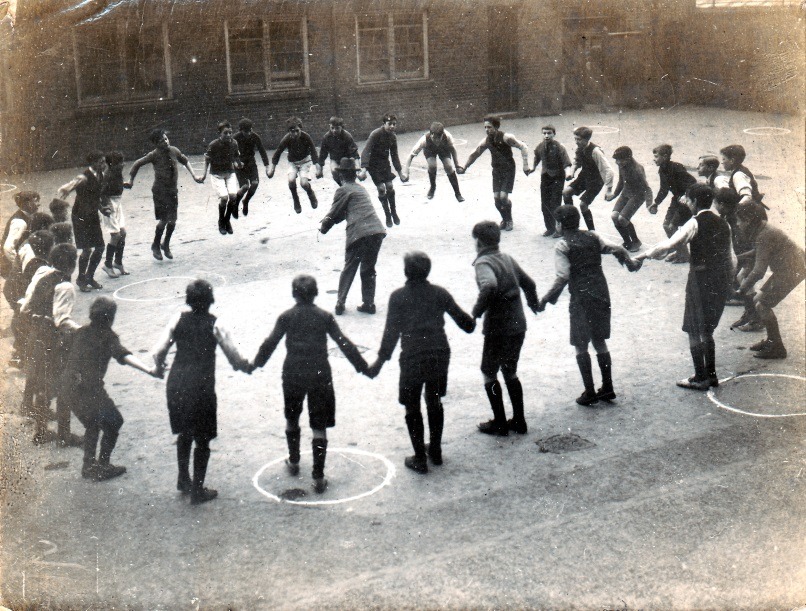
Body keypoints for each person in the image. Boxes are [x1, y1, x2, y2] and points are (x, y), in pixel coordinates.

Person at [248, 275, 368, 494]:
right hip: (319, 373)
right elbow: (343, 343)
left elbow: (270, 343)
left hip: (293, 372)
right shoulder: (324, 316)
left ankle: (294, 461)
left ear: (294, 294)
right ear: (316, 293)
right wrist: (363, 366)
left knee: (292, 418)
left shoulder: (286, 316)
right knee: (319, 426)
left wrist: (255, 364)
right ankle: (318, 477)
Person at [365, 252, 475, 473]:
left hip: (413, 357)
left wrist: (378, 362)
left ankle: (419, 457)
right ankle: (435, 450)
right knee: (434, 400)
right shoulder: (440, 293)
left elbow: (391, 333)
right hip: (439, 353)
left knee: (412, 404)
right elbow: (467, 324)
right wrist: (475, 316)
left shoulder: (398, 297)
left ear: (406, 272)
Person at [151, 280, 251, 504]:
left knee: (184, 432)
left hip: (176, 382)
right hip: (201, 386)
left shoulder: (178, 319)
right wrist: (246, 366)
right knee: (203, 438)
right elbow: (233, 355)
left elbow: (158, 352)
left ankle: (183, 478)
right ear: (210, 300)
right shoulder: (215, 324)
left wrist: (159, 368)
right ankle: (198, 489)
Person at [537, 206, 641, 405]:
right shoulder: (593, 236)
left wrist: (547, 299)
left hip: (581, 298)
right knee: (599, 340)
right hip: (601, 292)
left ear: (559, 224)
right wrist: (628, 263)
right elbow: (618, 248)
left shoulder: (562, 245)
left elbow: (562, 277)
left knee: (580, 343)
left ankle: (589, 391)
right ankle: (608, 387)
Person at [637, 184, 733, 390]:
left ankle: (700, 376)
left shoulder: (694, 222)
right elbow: (729, 257)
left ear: (696, 202)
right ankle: (711, 375)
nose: (687, 203)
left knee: (692, 329)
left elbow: (669, 245)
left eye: (688, 199)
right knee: (707, 330)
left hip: (700, 280)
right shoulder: (724, 224)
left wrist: (643, 256)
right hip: (720, 280)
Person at [60, 296, 160, 481]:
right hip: (91, 389)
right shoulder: (108, 337)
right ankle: (103, 465)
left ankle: (89, 466)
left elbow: (64, 351)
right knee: (114, 422)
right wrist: (149, 370)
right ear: (110, 318)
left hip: (68, 387)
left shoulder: (81, 332)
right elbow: (123, 355)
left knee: (92, 424)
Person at [470, 221, 538, 436]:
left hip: (498, 326)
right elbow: (530, 283)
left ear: (479, 242)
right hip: (518, 324)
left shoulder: (483, 262)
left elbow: (489, 285)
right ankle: (519, 420)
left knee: (488, 371)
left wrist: (477, 311)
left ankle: (499, 422)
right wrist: (533, 304)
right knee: (510, 370)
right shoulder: (507, 258)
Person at [20, 243, 82, 444]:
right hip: (54, 341)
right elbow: (62, 320)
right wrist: (83, 332)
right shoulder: (65, 286)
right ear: (72, 264)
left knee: (43, 386)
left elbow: (26, 307)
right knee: (65, 384)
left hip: (36, 337)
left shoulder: (42, 276)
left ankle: (41, 432)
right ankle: (64, 435)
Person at [735, 202, 806, 360]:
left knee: (762, 304)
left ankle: (777, 348)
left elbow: (759, 271)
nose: (738, 224)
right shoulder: (762, 229)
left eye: (739, 220)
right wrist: (737, 258)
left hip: (791, 271)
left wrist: (741, 289)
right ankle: (771, 340)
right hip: (789, 268)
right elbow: (759, 251)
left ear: (748, 220)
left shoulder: (763, 235)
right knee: (759, 301)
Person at [319, 158, 387, 316]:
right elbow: (346, 212)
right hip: (376, 230)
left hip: (358, 232)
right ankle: (369, 303)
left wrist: (324, 227)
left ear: (341, 176)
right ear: (355, 175)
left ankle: (340, 303)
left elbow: (334, 213)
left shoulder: (342, 190)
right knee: (368, 268)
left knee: (350, 266)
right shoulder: (361, 189)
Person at [126, 129, 203, 259]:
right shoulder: (154, 155)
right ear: (156, 144)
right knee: (164, 220)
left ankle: (165, 244)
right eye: (161, 141)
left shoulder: (174, 150)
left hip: (172, 191)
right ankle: (155, 245)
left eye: (166, 139)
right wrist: (131, 180)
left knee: (173, 221)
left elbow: (185, 161)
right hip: (160, 191)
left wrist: (194, 176)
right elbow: (137, 164)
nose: (166, 142)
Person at [457, 115, 529, 231]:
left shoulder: (506, 137)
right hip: (496, 171)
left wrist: (525, 165)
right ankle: (504, 219)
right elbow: (475, 153)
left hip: (508, 170)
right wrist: (465, 167)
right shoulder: (486, 140)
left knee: (503, 197)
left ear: (496, 127)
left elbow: (523, 147)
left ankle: (509, 220)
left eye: (489, 127)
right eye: (485, 127)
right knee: (496, 199)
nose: (486, 130)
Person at [57, 151, 107, 292]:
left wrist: (102, 209)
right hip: (80, 217)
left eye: (104, 162)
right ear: (93, 163)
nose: (104, 165)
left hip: (92, 215)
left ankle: (89, 277)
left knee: (100, 247)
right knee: (87, 250)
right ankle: (81, 278)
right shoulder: (84, 177)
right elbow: (71, 185)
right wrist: (66, 189)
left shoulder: (101, 175)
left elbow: (95, 198)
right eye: (101, 162)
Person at [651, 144, 696, 263]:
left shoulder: (677, 167)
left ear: (665, 156)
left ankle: (684, 255)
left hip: (685, 201)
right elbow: (664, 189)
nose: (654, 159)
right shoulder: (662, 170)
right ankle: (680, 251)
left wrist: (686, 195)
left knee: (672, 226)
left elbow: (692, 182)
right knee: (666, 225)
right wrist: (656, 203)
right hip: (676, 200)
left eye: (656, 156)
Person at [562, 126, 614, 231]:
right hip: (584, 177)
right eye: (575, 139)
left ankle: (592, 232)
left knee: (583, 205)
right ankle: (572, 226)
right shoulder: (579, 148)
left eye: (579, 139)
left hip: (596, 181)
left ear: (587, 139)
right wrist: (571, 173)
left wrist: (609, 190)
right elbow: (576, 161)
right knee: (566, 193)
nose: (576, 142)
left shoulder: (596, 151)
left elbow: (609, 171)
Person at [267, 116, 321, 213]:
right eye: (292, 131)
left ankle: (310, 193)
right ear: (288, 131)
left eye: (297, 131)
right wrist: (272, 169)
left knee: (304, 184)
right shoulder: (287, 139)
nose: (295, 134)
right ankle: (295, 199)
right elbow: (278, 152)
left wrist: (317, 168)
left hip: (305, 161)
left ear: (301, 129)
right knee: (291, 180)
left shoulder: (306, 137)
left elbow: (313, 151)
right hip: (293, 163)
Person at [361, 113, 406, 228]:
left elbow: (394, 156)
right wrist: (364, 170)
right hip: (373, 165)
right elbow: (366, 151)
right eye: (389, 124)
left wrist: (400, 173)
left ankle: (394, 212)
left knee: (390, 186)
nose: (392, 126)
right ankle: (387, 215)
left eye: (394, 124)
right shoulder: (375, 134)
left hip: (384, 164)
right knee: (381, 188)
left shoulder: (393, 137)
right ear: (384, 124)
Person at [605, 146, 652, 253]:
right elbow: (621, 182)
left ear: (628, 158)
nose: (617, 162)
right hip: (625, 193)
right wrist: (614, 195)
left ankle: (635, 241)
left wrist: (649, 204)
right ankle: (627, 241)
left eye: (620, 159)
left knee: (622, 219)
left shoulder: (638, 169)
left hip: (637, 196)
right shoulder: (621, 165)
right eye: (616, 160)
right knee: (614, 216)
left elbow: (647, 189)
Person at [402, 122, 464, 202]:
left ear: (442, 135)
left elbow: (453, 150)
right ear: (431, 134)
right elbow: (410, 156)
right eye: (434, 138)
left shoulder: (447, 136)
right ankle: (433, 187)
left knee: (449, 166)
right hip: (430, 150)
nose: (437, 141)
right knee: (432, 166)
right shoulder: (424, 140)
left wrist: (457, 165)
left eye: (439, 138)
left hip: (443, 149)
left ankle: (458, 193)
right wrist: (406, 173)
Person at [202, 121, 243, 235]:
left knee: (233, 196)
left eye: (230, 132)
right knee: (224, 198)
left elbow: (236, 157)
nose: (229, 135)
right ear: (219, 133)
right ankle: (221, 221)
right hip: (217, 174)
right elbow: (207, 160)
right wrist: (204, 174)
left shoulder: (234, 143)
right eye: (226, 133)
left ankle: (227, 220)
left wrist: (238, 163)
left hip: (229, 172)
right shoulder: (214, 145)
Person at [530, 125, 572, 237]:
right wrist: (533, 167)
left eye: (549, 133)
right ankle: (550, 228)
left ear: (554, 134)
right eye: (544, 133)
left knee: (555, 203)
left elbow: (566, 162)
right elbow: (537, 157)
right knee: (544, 204)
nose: (546, 135)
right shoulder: (540, 146)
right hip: (545, 177)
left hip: (557, 177)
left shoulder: (559, 147)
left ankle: (559, 229)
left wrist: (568, 173)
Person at [233, 117, 270, 217]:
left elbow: (262, 151)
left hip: (250, 163)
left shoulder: (255, 137)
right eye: (246, 132)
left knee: (255, 183)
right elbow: (229, 152)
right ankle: (236, 203)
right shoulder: (235, 138)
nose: (249, 133)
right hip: (240, 164)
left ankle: (246, 201)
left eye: (250, 131)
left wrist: (267, 166)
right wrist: (235, 163)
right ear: (241, 130)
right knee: (245, 187)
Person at [100, 151, 127, 277]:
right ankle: (107, 264)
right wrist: (106, 206)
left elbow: (116, 186)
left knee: (123, 233)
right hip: (110, 205)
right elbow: (102, 193)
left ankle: (118, 262)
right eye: (119, 163)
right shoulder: (108, 175)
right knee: (115, 236)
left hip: (118, 203)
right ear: (112, 165)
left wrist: (124, 185)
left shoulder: (117, 173)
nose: (123, 164)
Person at [2, 190, 40, 279]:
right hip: (12, 268)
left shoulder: (27, 215)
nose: (38, 204)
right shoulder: (20, 222)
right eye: (35, 201)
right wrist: (18, 265)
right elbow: (8, 247)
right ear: (27, 204)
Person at [318, 116, 361, 185]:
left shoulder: (347, 136)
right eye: (332, 128)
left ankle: (350, 185)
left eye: (337, 128)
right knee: (334, 171)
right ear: (329, 126)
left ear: (342, 127)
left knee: (349, 176)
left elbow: (354, 152)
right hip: (335, 159)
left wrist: (358, 167)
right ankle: (341, 186)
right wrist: (320, 169)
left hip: (347, 159)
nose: (334, 130)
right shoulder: (326, 137)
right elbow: (323, 153)